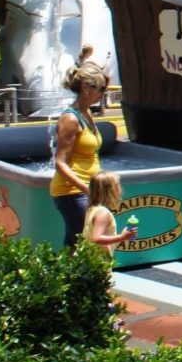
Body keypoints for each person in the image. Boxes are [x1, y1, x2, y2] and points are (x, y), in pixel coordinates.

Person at [51, 49, 109, 248]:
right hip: (72, 192)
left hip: (87, 190)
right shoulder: (70, 118)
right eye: (100, 89)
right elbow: (60, 163)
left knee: (76, 244)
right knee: (83, 244)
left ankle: (64, 277)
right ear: (86, 88)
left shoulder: (87, 114)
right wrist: (86, 189)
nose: (103, 94)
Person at [83, 172, 137, 255]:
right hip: (99, 262)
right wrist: (121, 237)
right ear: (110, 190)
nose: (120, 188)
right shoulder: (102, 213)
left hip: (91, 259)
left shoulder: (92, 209)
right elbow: (96, 238)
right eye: (118, 185)